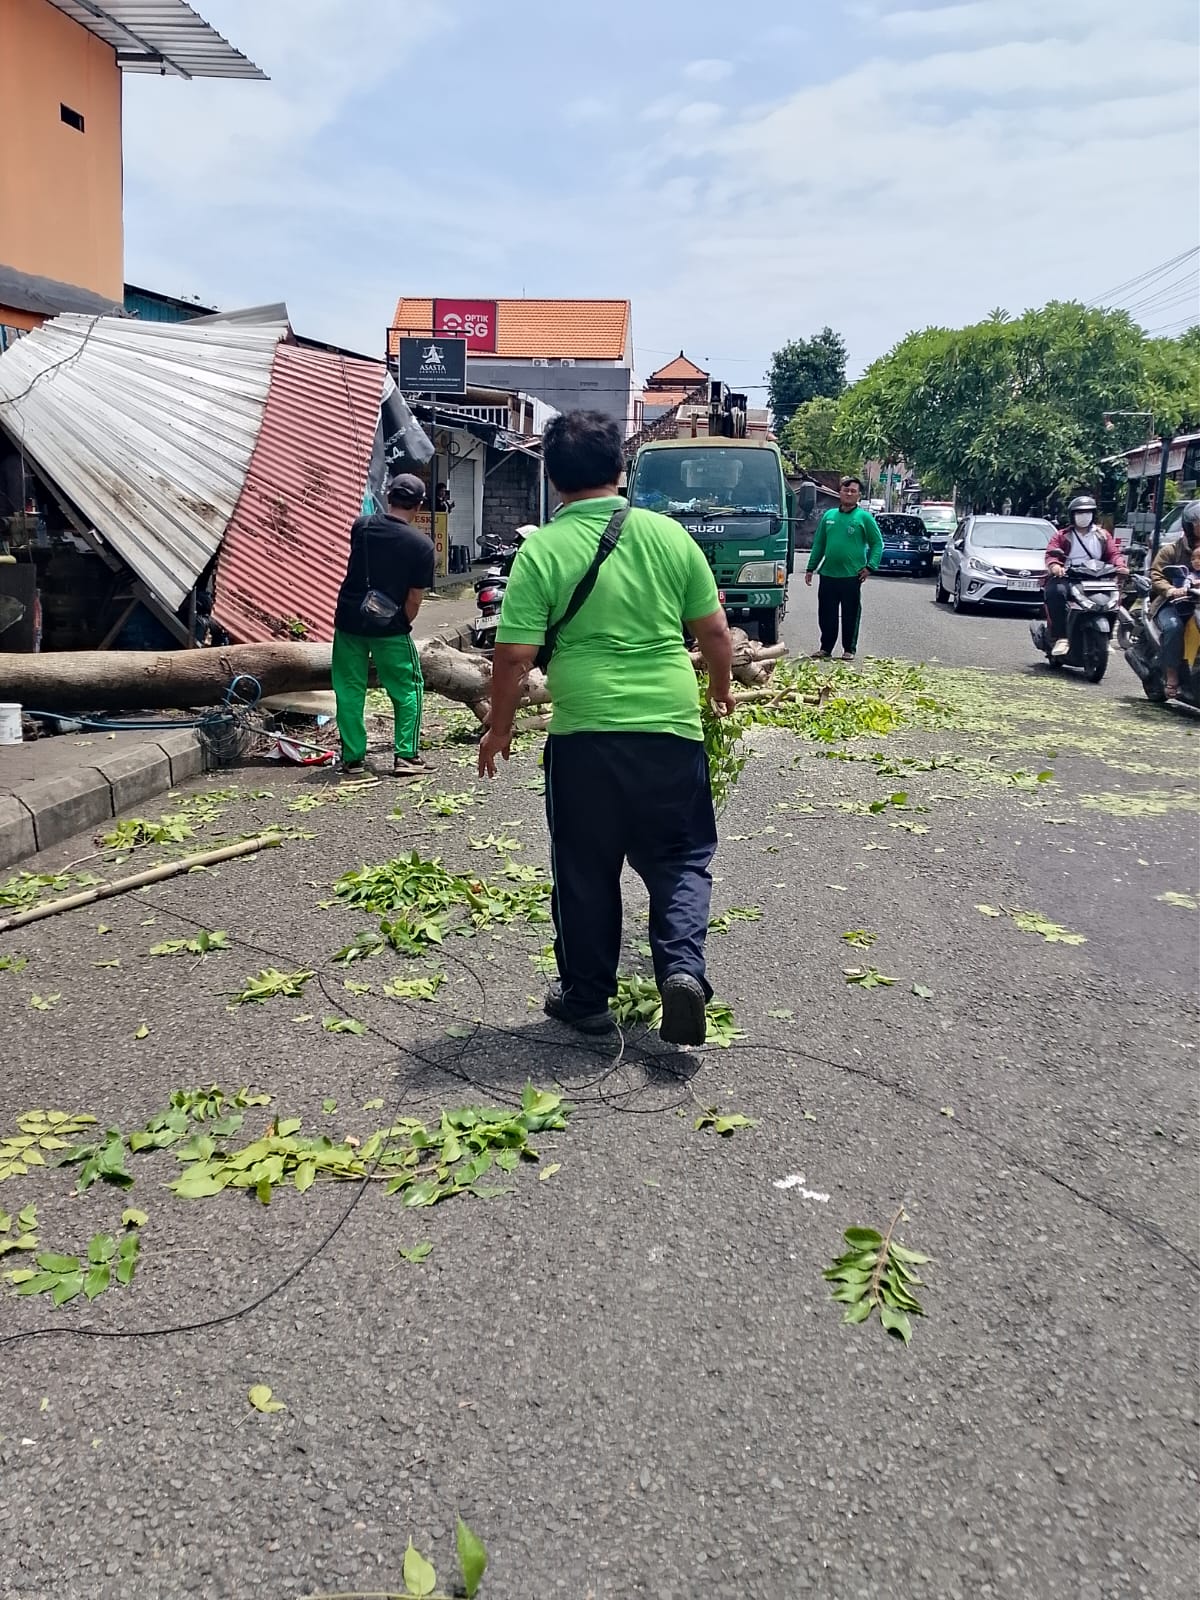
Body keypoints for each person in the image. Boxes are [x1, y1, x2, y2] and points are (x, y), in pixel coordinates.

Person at [477, 410, 734, 1047]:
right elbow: (714, 632)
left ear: (553, 477)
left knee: (585, 868)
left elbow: (512, 657)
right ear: (622, 468)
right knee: (680, 858)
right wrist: (719, 688)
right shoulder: (670, 536)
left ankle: (587, 998)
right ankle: (681, 970)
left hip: (584, 735)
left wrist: (499, 728)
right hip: (669, 728)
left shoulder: (543, 549)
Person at [331, 473, 435, 777]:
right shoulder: (422, 545)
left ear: (389, 497)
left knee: (349, 689)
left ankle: (352, 759)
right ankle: (406, 756)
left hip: (349, 620)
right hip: (390, 626)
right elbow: (414, 598)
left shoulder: (361, 526)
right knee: (408, 689)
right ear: (419, 505)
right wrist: (399, 623)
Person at [804, 475, 883, 660]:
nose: (848, 493)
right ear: (839, 492)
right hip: (828, 574)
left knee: (850, 614)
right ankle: (825, 648)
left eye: (853, 491)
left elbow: (877, 543)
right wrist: (811, 568)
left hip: (852, 575)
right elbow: (819, 544)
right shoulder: (829, 516)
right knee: (826, 614)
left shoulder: (864, 517)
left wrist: (870, 566)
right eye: (845, 490)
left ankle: (849, 649)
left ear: (858, 495)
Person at [1043, 494, 1127, 658]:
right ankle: (1062, 637)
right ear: (1072, 515)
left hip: (1098, 577)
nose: (1084, 516)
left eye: (1087, 512)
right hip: (1070, 577)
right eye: (1079, 512)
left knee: (1115, 596)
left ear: (1093, 514)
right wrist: (1055, 566)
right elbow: (1051, 554)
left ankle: (1106, 638)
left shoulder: (1103, 535)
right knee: (1055, 592)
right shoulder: (1062, 535)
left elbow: (1114, 554)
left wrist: (1121, 566)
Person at [1149, 498, 1200, 697]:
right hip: (1172, 604)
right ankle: (1172, 675)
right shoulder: (1172, 550)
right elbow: (1156, 575)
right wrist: (1170, 590)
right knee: (1173, 627)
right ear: (1189, 527)